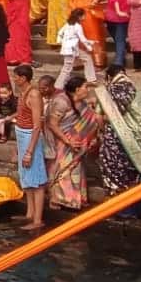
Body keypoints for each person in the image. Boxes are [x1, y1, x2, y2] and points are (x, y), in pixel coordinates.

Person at [93, 65, 141, 209]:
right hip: (140, 134)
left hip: (118, 136)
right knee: (131, 171)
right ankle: (132, 206)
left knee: (113, 166)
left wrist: (102, 132)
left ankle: (117, 205)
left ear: (108, 77)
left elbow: (99, 118)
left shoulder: (109, 91)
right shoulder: (134, 88)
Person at [46, 76, 100, 209]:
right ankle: (56, 199)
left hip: (76, 143)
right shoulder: (61, 102)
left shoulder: (80, 102)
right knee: (61, 169)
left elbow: (91, 116)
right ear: (77, 89)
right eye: (85, 87)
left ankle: (73, 200)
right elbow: (52, 124)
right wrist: (68, 141)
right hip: (61, 141)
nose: (87, 90)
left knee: (74, 169)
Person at [9, 64, 49, 229]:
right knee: (27, 178)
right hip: (22, 136)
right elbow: (21, 116)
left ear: (24, 78)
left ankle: (38, 220)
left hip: (30, 138)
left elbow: (37, 125)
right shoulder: (22, 93)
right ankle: (29, 213)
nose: (14, 79)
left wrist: (29, 152)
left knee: (37, 180)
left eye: (16, 77)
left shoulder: (33, 94)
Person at [55, 8, 97, 87]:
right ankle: (58, 85)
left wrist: (60, 42)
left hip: (70, 48)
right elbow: (83, 39)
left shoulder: (67, 24)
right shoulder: (78, 26)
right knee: (67, 68)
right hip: (71, 49)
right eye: (84, 15)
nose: (84, 17)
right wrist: (90, 48)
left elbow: (60, 33)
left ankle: (91, 79)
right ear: (79, 16)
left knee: (87, 58)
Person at [105, 0, 131, 69]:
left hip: (115, 14)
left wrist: (118, 11)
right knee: (120, 38)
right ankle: (122, 51)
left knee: (118, 38)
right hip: (126, 13)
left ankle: (119, 61)